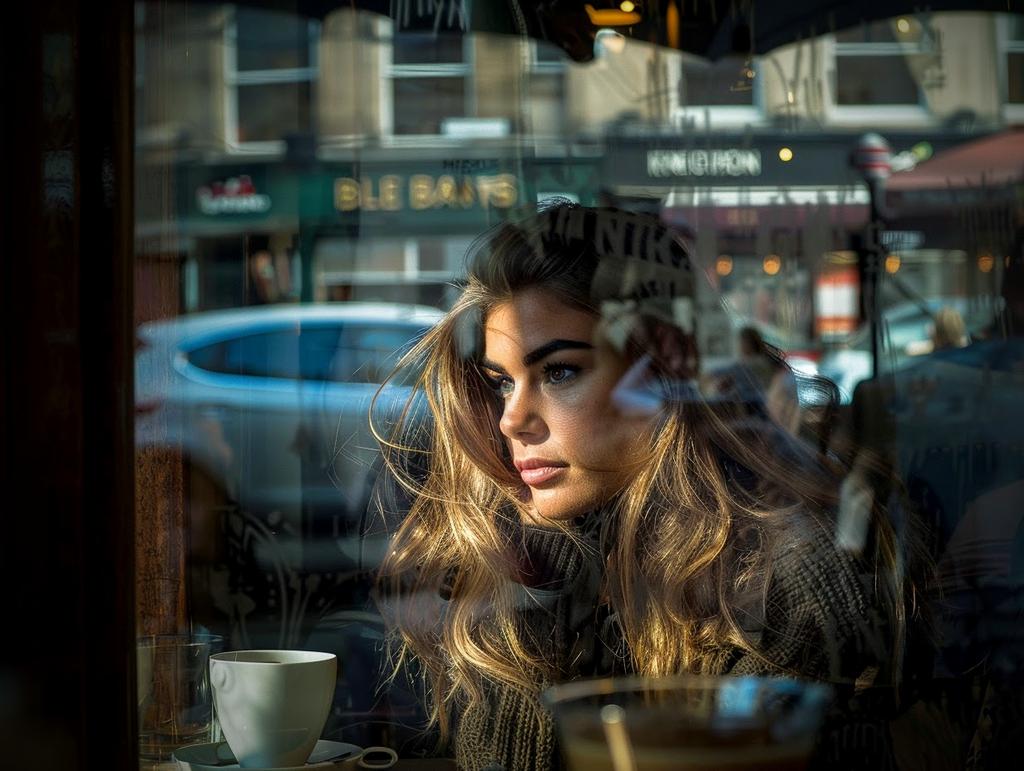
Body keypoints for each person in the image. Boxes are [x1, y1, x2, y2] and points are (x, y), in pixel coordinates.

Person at [370, 203, 917, 771]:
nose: (512, 419)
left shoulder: (789, 579)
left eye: (559, 372)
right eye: (503, 383)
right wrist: (537, 582)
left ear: (665, 376)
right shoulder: (543, 560)